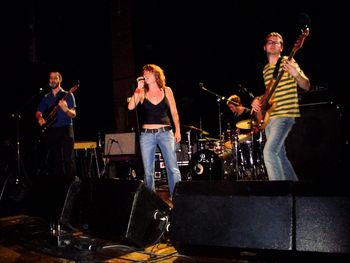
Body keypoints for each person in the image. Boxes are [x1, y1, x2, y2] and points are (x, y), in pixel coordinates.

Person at [251, 32, 310, 181]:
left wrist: (296, 74)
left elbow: (306, 85)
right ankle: (297, 190)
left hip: (284, 114)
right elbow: (269, 94)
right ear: (264, 47)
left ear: (281, 48)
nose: (272, 44)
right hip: (270, 117)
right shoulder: (265, 70)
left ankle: (278, 194)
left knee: (269, 152)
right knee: (280, 156)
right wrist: (257, 100)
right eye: (269, 41)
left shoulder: (287, 62)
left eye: (276, 42)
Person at [127, 64, 182, 199]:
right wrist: (138, 89)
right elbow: (130, 107)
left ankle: (177, 196)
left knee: (172, 168)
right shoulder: (142, 92)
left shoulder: (167, 90)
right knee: (148, 171)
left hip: (165, 132)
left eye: (148, 72)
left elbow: (174, 112)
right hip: (147, 135)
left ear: (156, 75)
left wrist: (178, 131)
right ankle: (150, 200)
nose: (145, 75)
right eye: (144, 72)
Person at [35, 71, 78, 180]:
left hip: (66, 128)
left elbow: (73, 114)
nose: (53, 80)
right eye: (51, 78)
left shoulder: (68, 94)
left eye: (55, 78)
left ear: (60, 80)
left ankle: (71, 184)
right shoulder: (46, 97)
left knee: (68, 159)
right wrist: (39, 117)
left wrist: (65, 109)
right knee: (55, 159)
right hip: (52, 130)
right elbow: (38, 111)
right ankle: (59, 185)